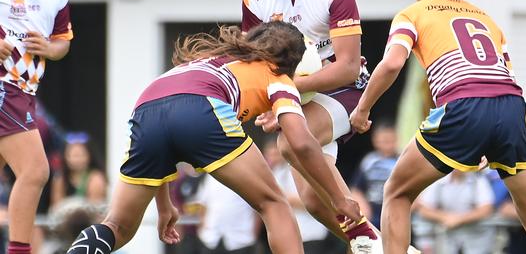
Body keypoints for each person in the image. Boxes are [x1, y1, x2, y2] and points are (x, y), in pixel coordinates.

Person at [350, 0, 526, 254]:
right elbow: (508, 77)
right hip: (513, 109)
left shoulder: (413, 14)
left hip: (464, 104)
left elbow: (391, 63)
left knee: (397, 193)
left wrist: (362, 110)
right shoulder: (486, 19)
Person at [66, 22, 362, 254]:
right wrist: (339, 199)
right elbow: (301, 142)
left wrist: (164, 202)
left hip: (147, 106)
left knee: (118, 226)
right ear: (294, 63)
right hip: (201, 107)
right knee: (274, 204)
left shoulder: (213, 59)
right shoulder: (278, 77)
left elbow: (168, 120)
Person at [242, 0, 400, 254]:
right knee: (313, 201)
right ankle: (382, 247)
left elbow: (345, 66)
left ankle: (357, 221)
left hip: (345, 88)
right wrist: (270, 103)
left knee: (289, 144)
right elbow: (256, 67)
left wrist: (289, 91)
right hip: (297, 98)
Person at [0, 0, 73, 254]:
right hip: (4, 86)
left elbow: (62, 44)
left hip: (26, 91)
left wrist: (48, 46)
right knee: (35, 171)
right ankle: (19, 250)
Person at [414, 170, 495, 254]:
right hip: (446, 239)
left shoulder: (479, 179)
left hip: (475, 239)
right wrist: (445, 217)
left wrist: (458, 219)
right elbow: (424, 209)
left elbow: (486, 209)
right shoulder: (438, 180)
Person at [350, 122, 399, 229]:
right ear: (375, 140)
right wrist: (364, 212)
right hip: (372, 212)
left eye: (391, 140)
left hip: (396, 214)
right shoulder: (369, 161)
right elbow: (356, 189)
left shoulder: (402, 160)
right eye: (384, 140)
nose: (388, 144)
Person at [50, 132, 107, 208]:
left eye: (81, 155)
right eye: (74, 155)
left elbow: (95, 208)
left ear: (89, 156)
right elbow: (56, 207)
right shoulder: (60, 178)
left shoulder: (96, 178)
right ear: (65, 157)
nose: (77, 160)